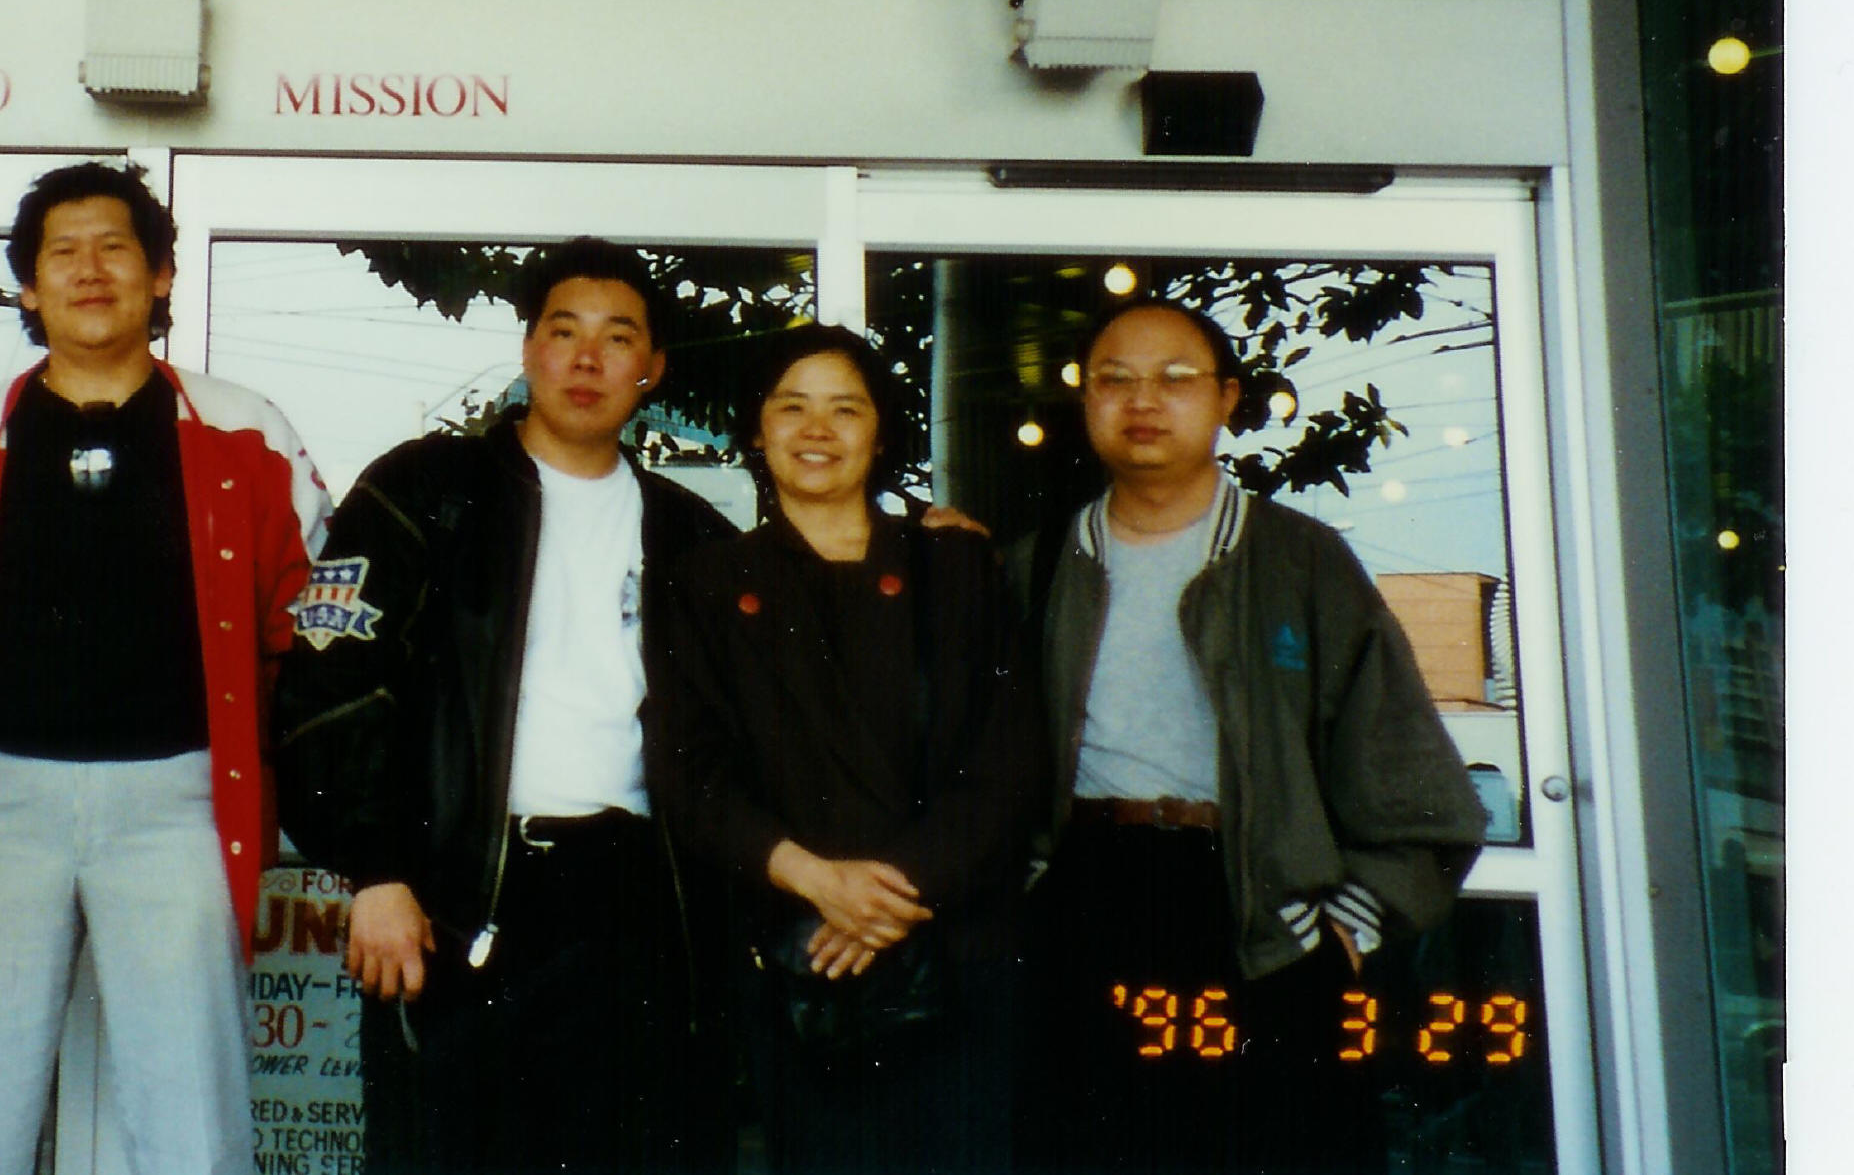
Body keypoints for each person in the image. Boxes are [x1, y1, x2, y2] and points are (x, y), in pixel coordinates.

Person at [0, 161, 327, 1175]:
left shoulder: (246, 429)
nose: (89, 269)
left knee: (193, 1121)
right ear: (26, 286)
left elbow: (312, 618)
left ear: (161, 274)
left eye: (115, 246)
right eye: (61, 250)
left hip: (179, 799)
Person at [273, 238, 730, 1175]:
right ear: (528, 349)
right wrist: (375, 872)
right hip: (457, 899)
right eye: (564, 331)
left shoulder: (692, 532)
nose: (587, 359)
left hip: (633, 903)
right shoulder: (424, 492)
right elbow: (329, 684)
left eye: (617, 337)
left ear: (654, 369)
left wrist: (929, 537)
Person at [1020, 300, 1488, 1175]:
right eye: (1115, 379)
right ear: (1086, 400)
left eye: (1175, 378)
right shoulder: (1039, 563)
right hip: (1089, 896)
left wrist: (1351, 920)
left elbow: (1410, 775)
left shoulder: (1300, 560)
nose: (1142, 400)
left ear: (1227, 397)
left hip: (1261, 912)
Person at [648, 326, 1044, 1174]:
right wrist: (821, 882)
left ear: (880, 431)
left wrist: (886, 898)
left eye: (845, 409)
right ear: (756, 430)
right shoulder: (708, 584)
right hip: (801, 962)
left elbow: (1010, 765)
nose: (816, 430)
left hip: (950, 952)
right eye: (792, 407)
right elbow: (688, 772)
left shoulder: (954, 565)